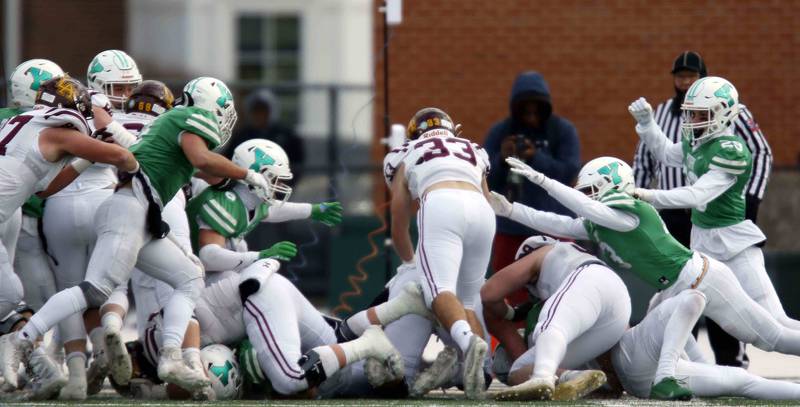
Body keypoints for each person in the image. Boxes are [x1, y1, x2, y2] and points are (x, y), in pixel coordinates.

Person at [0, 76, 268, 395]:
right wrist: (246, 174)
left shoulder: (25, 123)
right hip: (129, 208)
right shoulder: (189, 117)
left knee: (190, 276)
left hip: (137, 212)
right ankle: (22, 339)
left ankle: (171, 356)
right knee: (95, 290)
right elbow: (199, 159)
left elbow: (199, 168)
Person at [487, 155, 800, 399]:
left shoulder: (631, 210)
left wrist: (544, 180)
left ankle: (667, 376)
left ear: (614, 185)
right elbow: (559, 223)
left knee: (773, 337)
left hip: (702, 278)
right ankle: (685, 373)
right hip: (677, 287)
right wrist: (512, 210)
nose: (589, 199)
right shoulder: (602, 222)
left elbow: (587, 209)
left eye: (593, 191)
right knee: (718, 363)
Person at [631, 51, 772, 367]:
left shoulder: (730, 133)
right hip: (692, 224)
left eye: (690, 77)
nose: (692, 120)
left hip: (725, 228)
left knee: (764, 320)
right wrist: (647, 125)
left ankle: (730, 362)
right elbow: (662, 155)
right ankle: (676, 364)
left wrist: (643, 195)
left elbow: (700, 192)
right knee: (677, 294)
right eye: (679, 77)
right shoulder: (679, 120)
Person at [388, 107, 494, 399]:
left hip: (441, 201)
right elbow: (487, 197)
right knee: (469, 300)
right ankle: (479, 369)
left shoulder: (405, 152)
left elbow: (399, 218)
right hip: (482, 212)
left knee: (439, 291)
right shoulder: (472, 148)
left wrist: (410, 262)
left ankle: (468, 343)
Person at [484, 236, 629, 401]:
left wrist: (511, 314)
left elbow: (488, 294)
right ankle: (573, 377)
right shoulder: (570, 259)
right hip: (619, 304)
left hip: (587, 278)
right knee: (519, 370)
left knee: (550, 327)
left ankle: (542, 377)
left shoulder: (543, 253)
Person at [483, 71, 580, 304]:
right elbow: (483, 177)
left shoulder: (561, 130)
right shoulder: (500, 132)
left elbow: (569, 172)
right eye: (525, 108)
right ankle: (510, 337)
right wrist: (501, 158)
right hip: (511, 228)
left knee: (563, 288)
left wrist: (535, 157)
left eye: (536, 108)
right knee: (509, 292)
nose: (531, 114)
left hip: (555, 225)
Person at [613, 289, 800, 400]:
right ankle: (665, 376)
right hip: (631, 354)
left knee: (741, 379)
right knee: (692, 296)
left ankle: (668, 374)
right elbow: (693, 300)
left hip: (636, 381)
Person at [224, 89, 305, 181]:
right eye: (256, 110)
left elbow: (297, 164)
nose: (260, 115)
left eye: (263, 110)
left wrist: (284, 181)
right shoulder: (242, 135)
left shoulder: (286, 135)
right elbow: (228, 160)